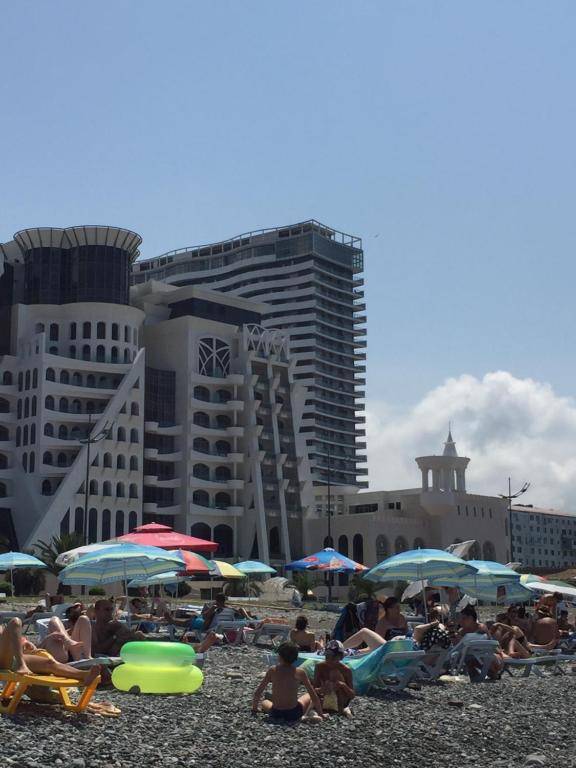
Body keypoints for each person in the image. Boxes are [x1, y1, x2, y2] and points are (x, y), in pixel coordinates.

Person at [0, 617, 101, 687]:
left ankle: (84, 675)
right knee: (15, 622)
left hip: (17, 656)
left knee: (50, 663)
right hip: (6, 660)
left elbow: (11, 640)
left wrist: (26, 643)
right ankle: (21, 665)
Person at [252, 642, 325, 723]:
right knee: (308, 695)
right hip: (294, 713)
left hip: (276, 713)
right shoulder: (299, 672)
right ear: (296, 658)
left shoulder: (272, 670)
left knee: (265, 702)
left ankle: (303, 716)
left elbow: (258, 692)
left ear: (279, 656)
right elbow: (313, 695)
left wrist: (254, 708)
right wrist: (321, 714)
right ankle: (306, 715)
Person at [313, 640, 355, 717]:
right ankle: (343, 710)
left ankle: (342, 708)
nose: (329, 660)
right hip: (325, 697)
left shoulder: (346, 670)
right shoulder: (320, 667)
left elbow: (352, 695)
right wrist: (321, 690)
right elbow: (314, 688)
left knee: (336, 673)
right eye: (327, 657)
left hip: (341, 700)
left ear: (341, 657)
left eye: (332, 658)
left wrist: (342, 685)